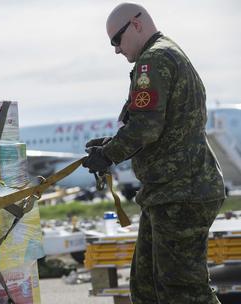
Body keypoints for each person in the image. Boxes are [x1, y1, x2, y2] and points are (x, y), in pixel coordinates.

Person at [82, 3, 225, 303]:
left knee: (183, 290)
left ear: (136, 24)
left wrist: (108, 155)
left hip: (180, 193)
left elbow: (146, 127)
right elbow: (163, 127)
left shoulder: (154, 60)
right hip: (170, 192)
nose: (116, 50)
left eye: (116, 40)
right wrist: (111, 144)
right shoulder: (166, 55)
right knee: (146, 286)